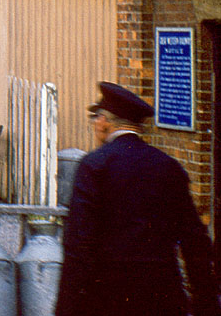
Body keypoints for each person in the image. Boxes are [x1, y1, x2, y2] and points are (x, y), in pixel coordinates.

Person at [56, 82, 221, 316]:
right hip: (163, 298)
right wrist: (207, 303)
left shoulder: (94, 166)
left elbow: (78, 247)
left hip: (107, 299)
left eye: (95, 119)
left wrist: (67, 308)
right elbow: (195, 242)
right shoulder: (169, 167)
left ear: (104, 122)